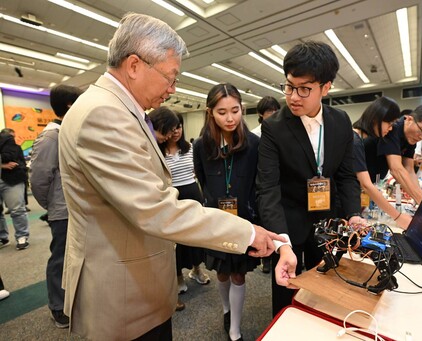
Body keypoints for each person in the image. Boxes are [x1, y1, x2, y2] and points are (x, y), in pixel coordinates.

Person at [58, 13, 284, 341]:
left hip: (133, 280)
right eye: (170, 76)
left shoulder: (116, 109)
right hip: (122, 293)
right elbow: (156, 209)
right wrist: (246, 233)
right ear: (135, 65)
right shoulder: (103, 114)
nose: (172, 88)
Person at [256, 41, 364, 316]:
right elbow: (267, 188)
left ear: (326, 88)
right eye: (289, 86)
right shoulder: (273, 127)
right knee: (286, 290)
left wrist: (353, 214)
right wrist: (281, 243)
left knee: (325, 291)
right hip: (287, 224)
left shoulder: (340, 122)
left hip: (327, 222)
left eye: (304, 89)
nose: (293, 96)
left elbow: (346, 176)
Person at [194, 83, 260, 341]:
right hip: (215, 221)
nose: (230, 118)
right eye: (222, 112)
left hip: (243, 219)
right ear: (210, 112)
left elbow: (258, 183)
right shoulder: (202, 145)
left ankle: (235, 329)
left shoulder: (254, 144)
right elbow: (202, 180)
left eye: (235, 110)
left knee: (238, 274)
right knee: (221, 272)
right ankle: (225, 309)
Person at [29, 84, 83, 328]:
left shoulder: (71, 131)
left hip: (80, 209)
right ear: (70, 106)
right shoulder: (51, 136)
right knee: (60, 260)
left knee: (78, 259)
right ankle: (58, 307)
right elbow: (39, 179)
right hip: (62, 211)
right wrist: (52, 206)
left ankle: (75, 301)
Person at [149, 108, 210, 312]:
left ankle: (196, 270)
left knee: (195, 237)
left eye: (179, 126)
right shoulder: (156, 150)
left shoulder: (191, 148)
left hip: (193, 194)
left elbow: (199, 171)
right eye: (172, 128)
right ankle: (177, 277)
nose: (176, 131)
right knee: (174, 241)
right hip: (172, 197)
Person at [352, 97, 412, 229]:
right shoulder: (355, 140)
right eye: (389, 124)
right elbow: (366, 184)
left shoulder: (367, 138)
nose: (390, 129)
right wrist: (397, 216)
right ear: (376, 119)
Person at [377, 104, 422, 205]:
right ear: (409, 119)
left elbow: (409, 169)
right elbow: (396, 170)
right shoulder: (394, 129)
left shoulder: (411, 137)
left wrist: (421, 198)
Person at [251, 96, 280, 273]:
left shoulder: (282, 130)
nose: (273, 114)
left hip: (278, 181)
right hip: (259, 182)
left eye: (276, 111)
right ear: (261, 114)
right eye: (269, 111)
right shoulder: (255, 134)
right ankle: (266, 259)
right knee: (264, 219)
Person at [0, 128, 29, 250]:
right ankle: (3, 237)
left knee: (17, 209)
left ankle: (22, 236)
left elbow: (17, 162)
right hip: (9, 178)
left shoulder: (14, 147)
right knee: (17, 210)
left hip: (13, 179)